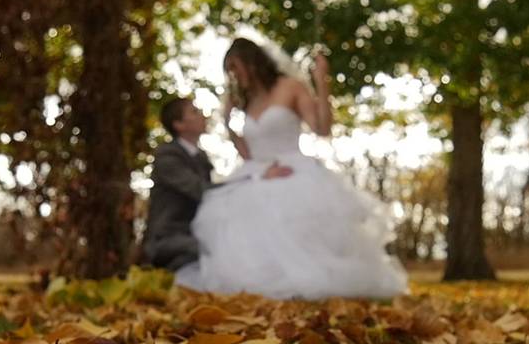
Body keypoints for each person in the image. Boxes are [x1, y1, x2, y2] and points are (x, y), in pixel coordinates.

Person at [174, 38, 408, 300]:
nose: (233, 76)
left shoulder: (291, 87)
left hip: (292, 168)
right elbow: (248, 153)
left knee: (293, 220)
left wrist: (321, 81)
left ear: (252, 63)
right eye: (229, 70)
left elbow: (321, 129)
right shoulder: (247, 101)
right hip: (256, 173)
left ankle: (310, 283)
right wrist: (229, 124)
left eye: (235, 67)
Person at [142, 97, 292, 271]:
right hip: (168, 238)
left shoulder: (200, 157)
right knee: (221, 252)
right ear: (179, 125)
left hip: (195, 234)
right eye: (194, 112)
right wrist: (256, 178)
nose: (203, 116)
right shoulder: (167, 157)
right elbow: (203, 191)